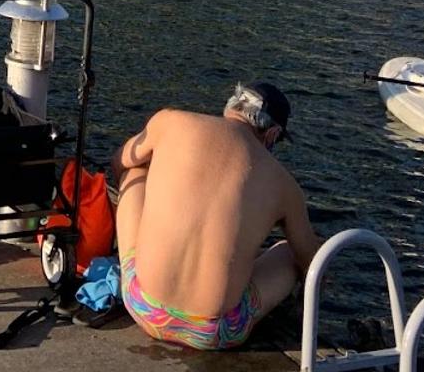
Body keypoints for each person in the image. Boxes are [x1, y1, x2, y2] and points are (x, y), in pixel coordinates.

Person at [111, 83, 320, 352]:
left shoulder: (170, 121)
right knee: (293, 251)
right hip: (217, 332)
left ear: (231, 107)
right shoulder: (284, 183)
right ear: (272, 134)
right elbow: (313, 263)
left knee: (134, 171)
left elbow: (119, 161)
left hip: (143, 306)